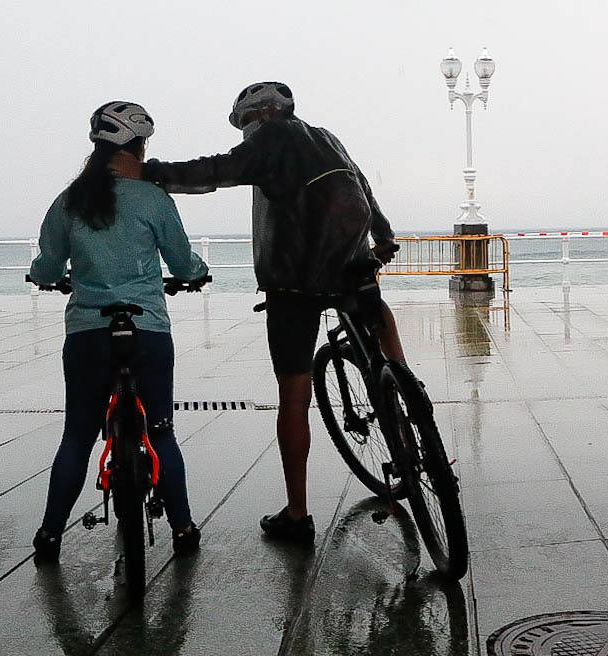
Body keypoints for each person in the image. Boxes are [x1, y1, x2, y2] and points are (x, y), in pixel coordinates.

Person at [141, 81, 432, 544]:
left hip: (293, 282)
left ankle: (297, 514)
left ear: (259, 115)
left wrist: (149, 171)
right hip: (351, 264)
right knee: (376, 315)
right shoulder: (325, 136)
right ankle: (404, 388)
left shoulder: (269, 138)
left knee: (294, 397)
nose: (244, 134)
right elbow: (362, 185)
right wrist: (385, 235)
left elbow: (215, 171)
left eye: (243, 124)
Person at [29, 101, 208, 564]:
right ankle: (184, 528)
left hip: (88, 333)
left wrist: (44, 277)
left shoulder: (69, 200)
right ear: (139, 145)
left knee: (77, 436)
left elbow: (48, 266)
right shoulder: (153, 199)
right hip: (146, 330)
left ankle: (50, 535)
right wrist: (196, 273)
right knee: (162, 432)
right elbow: (183, 262)